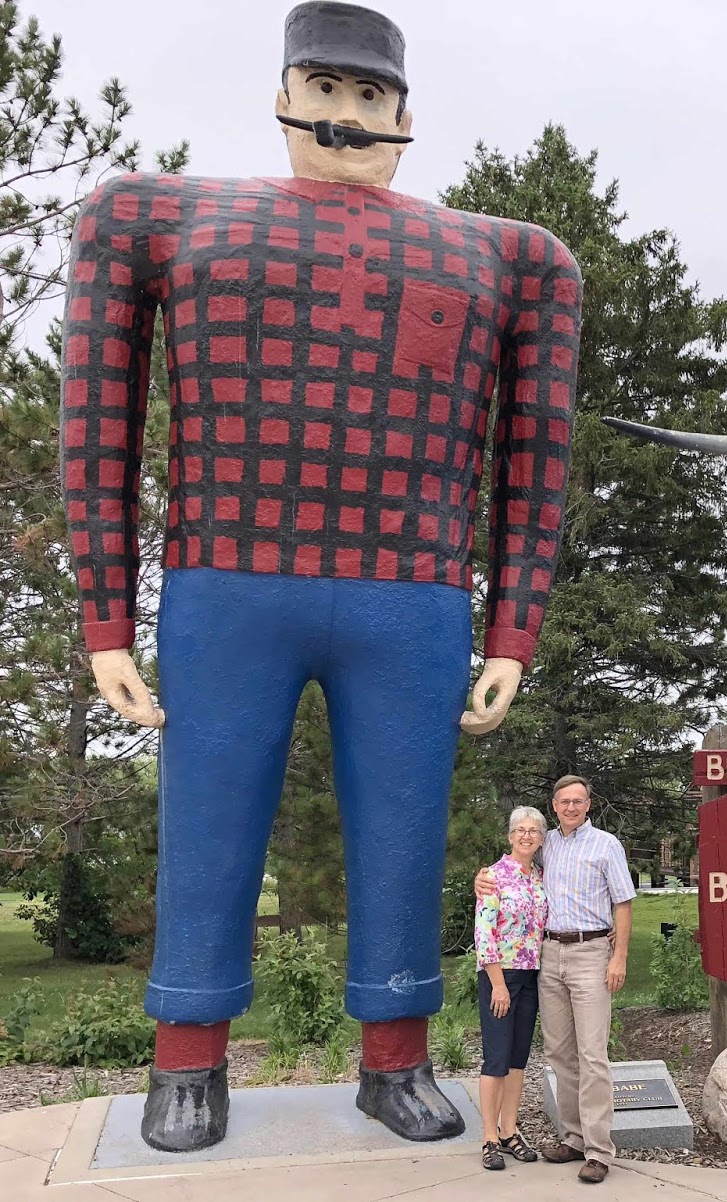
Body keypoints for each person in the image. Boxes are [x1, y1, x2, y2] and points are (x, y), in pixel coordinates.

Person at [60, 1, 582, 1152]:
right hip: (228, 574)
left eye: (369, 94)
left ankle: (395, 1054)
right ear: (285, 95)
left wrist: (513, 630)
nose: (346, 114)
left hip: (412, 587)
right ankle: (187, 1057)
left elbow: (536, 454)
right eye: (326, 88)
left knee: (404, 825)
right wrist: (104, 615)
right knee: (207, 817)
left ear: (403, 113)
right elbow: (97, 414)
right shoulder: (155, 216)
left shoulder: (510, 257)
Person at [476, 775, 633, 1184]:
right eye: (564, 802)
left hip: (590, 953)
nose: (571, 807)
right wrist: (483, 877)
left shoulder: (606, 845)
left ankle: (598, 1150)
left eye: (578, 801)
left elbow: (623, 903)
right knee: (560, 1053)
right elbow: (516, 861)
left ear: (588, 804)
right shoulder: (548, 846)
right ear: (554, 805)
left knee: (592, 1054)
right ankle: (574, 1138)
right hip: (548, 957)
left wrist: (618, 956)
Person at [475, 806, 550, 1171]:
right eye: (520, 829)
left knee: (518, 1059)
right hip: (499, 976)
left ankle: (509, 1131)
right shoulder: (494, 876)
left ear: (541, 838)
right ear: (510, 836)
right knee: (496, 1058)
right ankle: (489, 1137)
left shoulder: (540, 876)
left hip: (531, 976)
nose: (526, 835)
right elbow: (484, 933)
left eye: (533, 830)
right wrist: (498, 986)